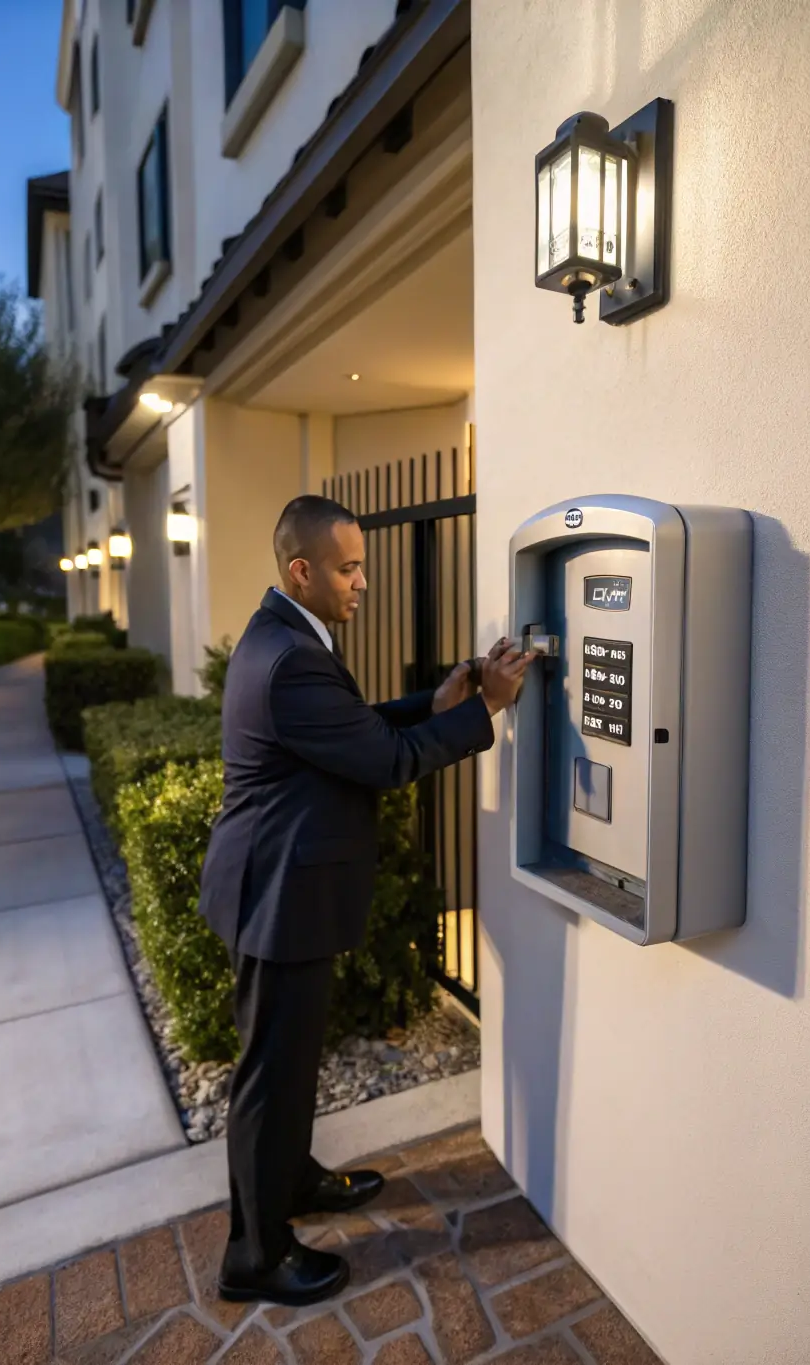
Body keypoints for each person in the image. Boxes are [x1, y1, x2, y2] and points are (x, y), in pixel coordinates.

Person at [198, 494, 533, 1308]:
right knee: (271, 1077)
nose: (364, 581)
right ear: (301, 570)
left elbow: (349, 728)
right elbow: (382, 761)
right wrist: (484, 708)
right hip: (275, 893)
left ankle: (293, 1180)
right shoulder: (290, 657)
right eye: (348, 568)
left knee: (289, 1061)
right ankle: (256, 1253)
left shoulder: (283, 636)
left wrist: (434, 700)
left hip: (277, 885)